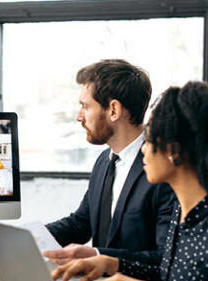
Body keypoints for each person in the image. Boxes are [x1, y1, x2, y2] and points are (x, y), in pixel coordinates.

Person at [51, 82, 208, 281]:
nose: (143, 148)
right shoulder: (183, 212)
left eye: (149, 139)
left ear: (173, 150)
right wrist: (111, 264)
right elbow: (170, 275)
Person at [44, 60, 176, 265]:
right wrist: (26, 236)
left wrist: (99, 256)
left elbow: (165, 259)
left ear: (113, 110)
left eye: (85, 107)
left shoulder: (161, 170)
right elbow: (81, 224)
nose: (79, 117)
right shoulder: (105, 161)